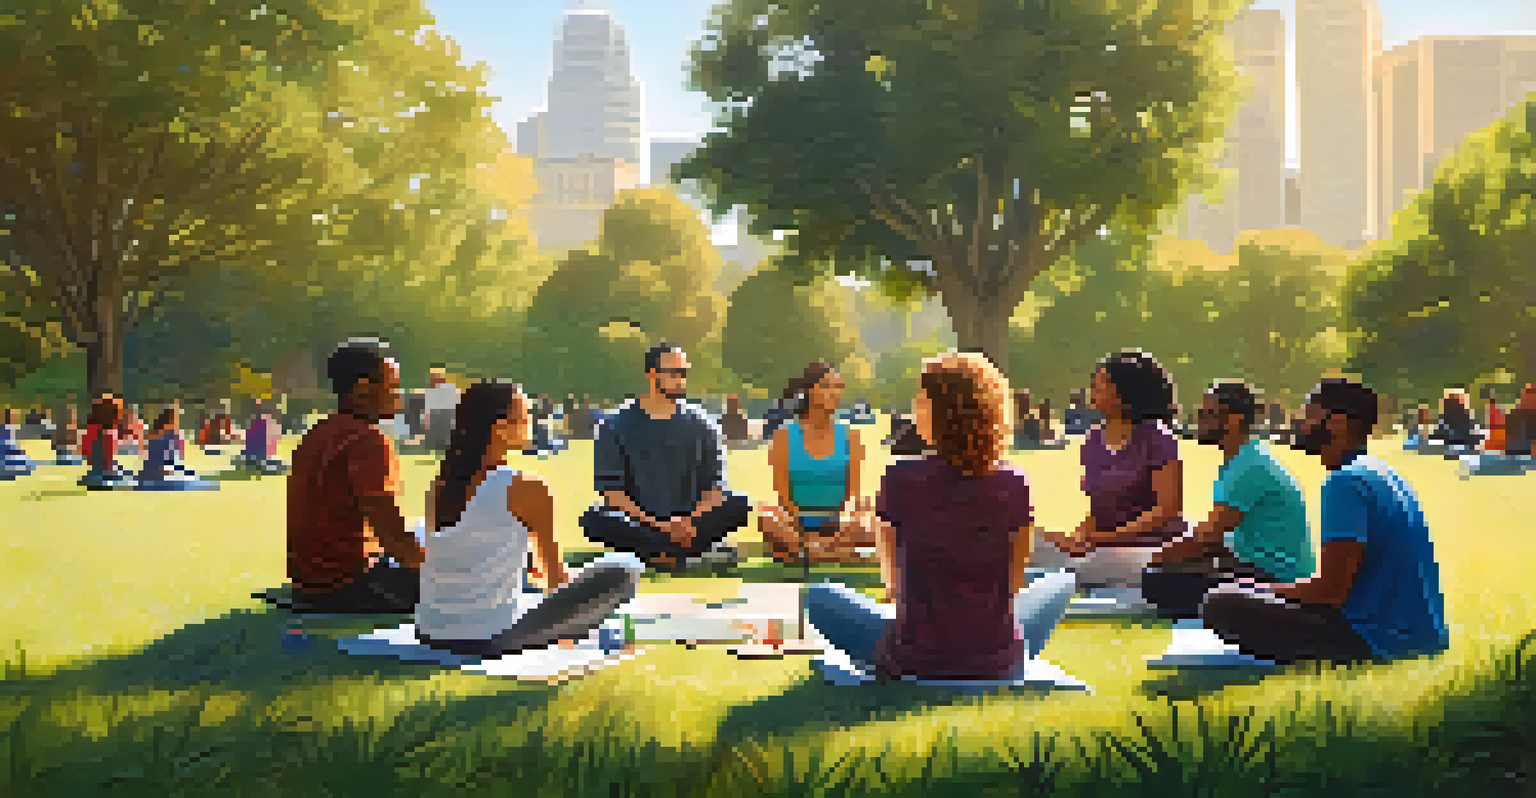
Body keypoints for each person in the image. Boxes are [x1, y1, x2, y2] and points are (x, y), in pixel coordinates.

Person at [806, 351, 1080, 680]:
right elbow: (1013, 583)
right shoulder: (1015, 483)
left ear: (942, 412)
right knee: (1059, 581)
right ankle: (984, 652)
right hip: (996, 657)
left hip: (915, 657)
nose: (913, 408)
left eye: (921, 400)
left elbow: (893, 584)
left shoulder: (899, 478)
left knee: (820, 596)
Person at [1201, 378, 1449, 665]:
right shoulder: (1382, 472)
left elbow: (1330, 591)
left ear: (1338, 423)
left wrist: (1258, 589)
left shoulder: (1344, 483)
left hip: (1381, 638)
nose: (1298, 421)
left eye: (1308, 415)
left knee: (1222, 603)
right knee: (1235, 593)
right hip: (1417, 634)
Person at [414, 380, 644, 657]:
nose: (533, 421)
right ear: (500, 428)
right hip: (487, 637)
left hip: (429, 632)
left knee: (526, 587)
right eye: (525, 415)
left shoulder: (439, 485)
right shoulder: (526, 487)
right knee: (625, 567)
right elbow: (554, 581)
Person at [1142, 381, 1315, 623]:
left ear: (1234, 419)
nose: (1199, 421)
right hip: (1255, 567)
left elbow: (1205, 539)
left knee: (1156, 581)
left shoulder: (1248, 467)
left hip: (1277, 579)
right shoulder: (1243, 459)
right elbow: (1216, 540)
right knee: (1170, 572)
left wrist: (1152, 560)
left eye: (1207, 414)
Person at [1032, 349, 1188, 605]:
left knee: (1106, 562)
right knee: (1025, 540)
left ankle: (1077, 576)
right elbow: (1098, 509)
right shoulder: (1093, 439)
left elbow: (1167, 510)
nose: (1092, 389)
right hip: (1104, 548)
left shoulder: (1158, 438)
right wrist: (1080, 537)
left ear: (1124, 393)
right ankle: (1078, 574)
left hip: (1148, 548)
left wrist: (1105, 539)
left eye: (1101, 383)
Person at [579, 342, 751, 571]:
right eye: (674, 372)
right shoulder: (614, 425)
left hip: (692, 523)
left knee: (739, 503)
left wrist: (688, 521)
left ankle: (659, 553)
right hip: (641, 523)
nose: (681, 379)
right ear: (651, 374)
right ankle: (684, 554)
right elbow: (613, 493)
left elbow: (715, 488)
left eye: (684, 372)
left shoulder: (704, 425)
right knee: (593, 518)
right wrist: (660, 525)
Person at [287, 338, 424, 614]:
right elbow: (393, 537)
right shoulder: (367, 440)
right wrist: (441, 571)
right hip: (350, 586)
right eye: (393, 386)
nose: (399, 394)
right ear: (363, 389)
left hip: (308, 584)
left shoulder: (317, 434)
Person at [757, 362, 879, 564]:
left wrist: (846, 524)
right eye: (827, 386)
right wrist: (804, 530)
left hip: (839, 523)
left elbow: (853, 494)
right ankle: (831, 552)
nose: (835, 393)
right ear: (809, 391)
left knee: (871, 521)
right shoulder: (783, 437)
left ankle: (807, 551)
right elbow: (784, 497)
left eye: (838, 387)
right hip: (797, 522)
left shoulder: (851, 437)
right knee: (767, 518)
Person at [137, 407, 218, 490]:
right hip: (160, 477)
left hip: (153, 475)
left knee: (192, 477)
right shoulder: (166, 437)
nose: (177, 424)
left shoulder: (158, 436)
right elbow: (164, 466)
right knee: (199, 482)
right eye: (176, 420)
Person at [79, 394, 136, 488]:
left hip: (95, 472)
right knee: (130, 478)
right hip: (104, 473)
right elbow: (107, 461)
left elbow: (86, 453)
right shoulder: (107, 434)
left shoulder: (92, 430)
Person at [422, 368, 461, 452]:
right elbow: (428, 410)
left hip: (445, 419)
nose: (432, 379)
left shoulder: (449, 389)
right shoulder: (431, 391)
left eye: (434, 377)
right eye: (432, 377)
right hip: (436, 420)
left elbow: (455, 406)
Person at [1, 408, 36, 480]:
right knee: (29, 464)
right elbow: (9, 448)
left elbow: (11, 448)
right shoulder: (6, 431)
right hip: (6, 460)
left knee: (29, 463)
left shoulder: (8, 430)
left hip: (7, 459)